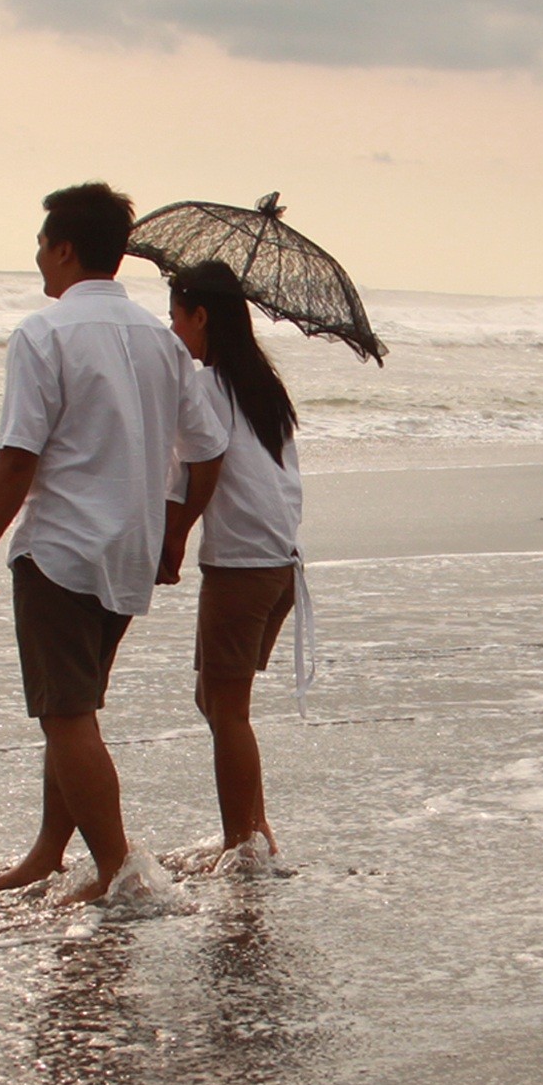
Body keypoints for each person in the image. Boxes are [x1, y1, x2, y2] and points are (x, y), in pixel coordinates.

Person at [0, 183, 228, 902]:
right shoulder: (159, 341)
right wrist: (172, 534)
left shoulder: (44, 335)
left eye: (43, 245)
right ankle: (50, 850)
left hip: (63, 549)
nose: (38, 258)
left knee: (67, 716)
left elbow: (19, 456)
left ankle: (117, 870)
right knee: (73, 709)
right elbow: (208, 449)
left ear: (65, 247)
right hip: (128, 550)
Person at [157, 259, 303, 865]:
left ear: (200, 317)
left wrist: (172, 541)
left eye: (175, 318)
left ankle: (242, 841)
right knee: (217, 703)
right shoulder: (262, 387)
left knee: (226, 708)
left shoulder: (205, 387)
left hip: (243, 566)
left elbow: (195, 471)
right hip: (281, 563)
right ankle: (255, 826)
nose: (172, 332)